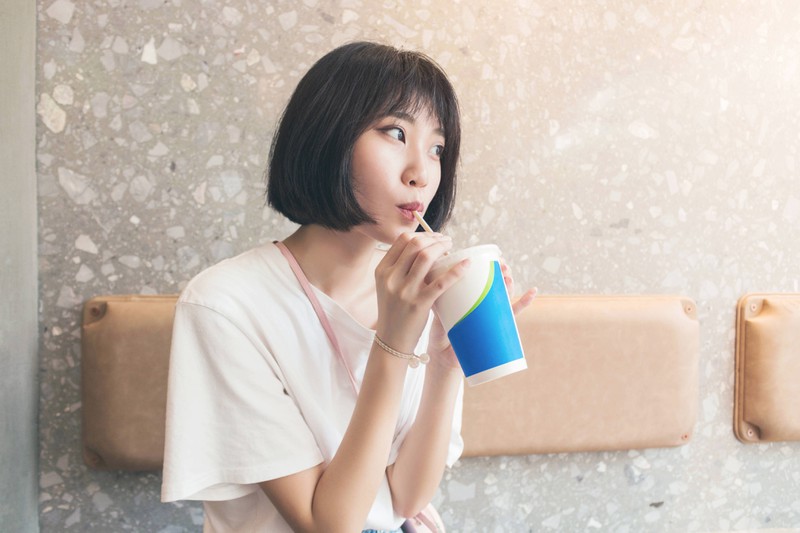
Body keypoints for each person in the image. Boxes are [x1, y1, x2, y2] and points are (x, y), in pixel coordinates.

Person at [161, 41, 535, 533]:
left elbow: (407, 497)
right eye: (395, 133)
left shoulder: (413, 293)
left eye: (437, 148)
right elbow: (327, 524)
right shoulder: (226, 305)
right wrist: (394, 344)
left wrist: (445, 363)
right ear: (328, 136)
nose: (421, 173)